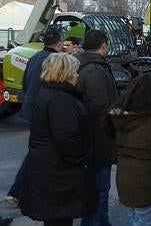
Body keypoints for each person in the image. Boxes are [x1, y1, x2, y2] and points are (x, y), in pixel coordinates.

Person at [20, 53, 97, 226]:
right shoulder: (60, 100)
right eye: (75, 72)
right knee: (59, 219)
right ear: (65, 74)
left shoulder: (50, 93)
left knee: (55, 218)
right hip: (60, 173)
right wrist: (84, 159)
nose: (77, 75)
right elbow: (68, 139)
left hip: (51, 170)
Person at [4, 28, 63, 206]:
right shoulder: (53, 60)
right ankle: (19, 192)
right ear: (59, 44)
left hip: (32, 109)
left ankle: (21, 192)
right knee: (40, 152)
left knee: (38, 150)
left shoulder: (35, 57)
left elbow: (25, 83)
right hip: (43, 112)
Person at [105, 74, 151, 226]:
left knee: (134, 218)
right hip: (148, 181)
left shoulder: (120, 118)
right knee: (145, 220)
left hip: (125, 176)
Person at [76, 29, 120, 226]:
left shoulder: (86, 65)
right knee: (99, 192)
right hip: (98, 141)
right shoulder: (94, 70)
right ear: (104, 44)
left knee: (96, 192)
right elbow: (100, 107)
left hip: (94, 140)